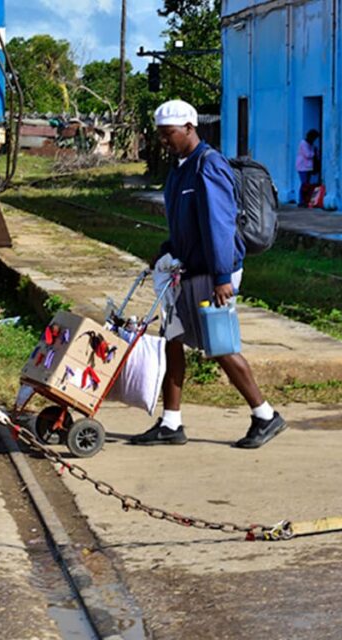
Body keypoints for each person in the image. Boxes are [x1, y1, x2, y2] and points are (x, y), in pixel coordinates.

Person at [131, 100, 285, 449]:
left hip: (214, 272)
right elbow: (185, 222)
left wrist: (221, 278)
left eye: (168, 134)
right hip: (185, 270)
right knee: (171, 339)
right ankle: (171, 423)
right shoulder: (180, 169)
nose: (163, 141)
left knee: (219, 346)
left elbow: (218, 225)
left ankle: (265, 415)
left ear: (189, 127)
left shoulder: (208, 165)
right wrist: (166, 248)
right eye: (160, 135)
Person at [296, 129, 320, 205]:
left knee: (307, 184)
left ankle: (306, 200)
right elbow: (308, 155)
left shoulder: (311, 144)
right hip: (302, 167)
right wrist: (314, 152)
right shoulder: (303, 143)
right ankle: (301, 201)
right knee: (304, 184)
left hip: (308, 167)